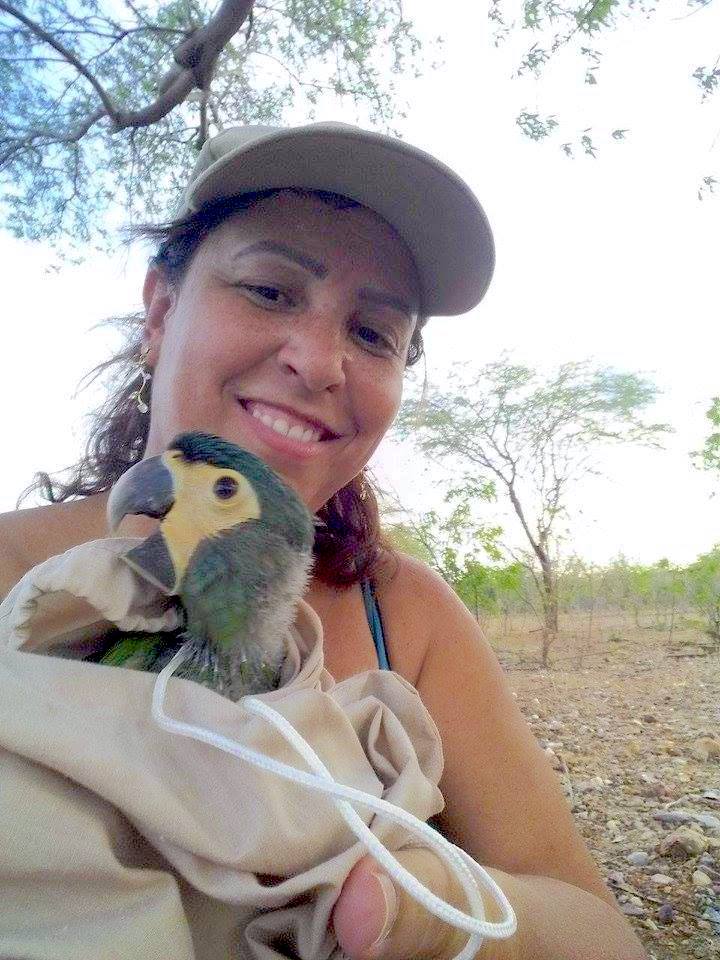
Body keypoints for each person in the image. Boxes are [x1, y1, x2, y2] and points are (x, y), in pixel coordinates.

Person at [0, 122, 646, 960]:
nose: (319, 361)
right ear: (160, 310)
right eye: (271, 290)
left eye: (375, 333)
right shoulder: (18, 575)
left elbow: (599, 932)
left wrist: (443, 912)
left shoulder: (406, 618)